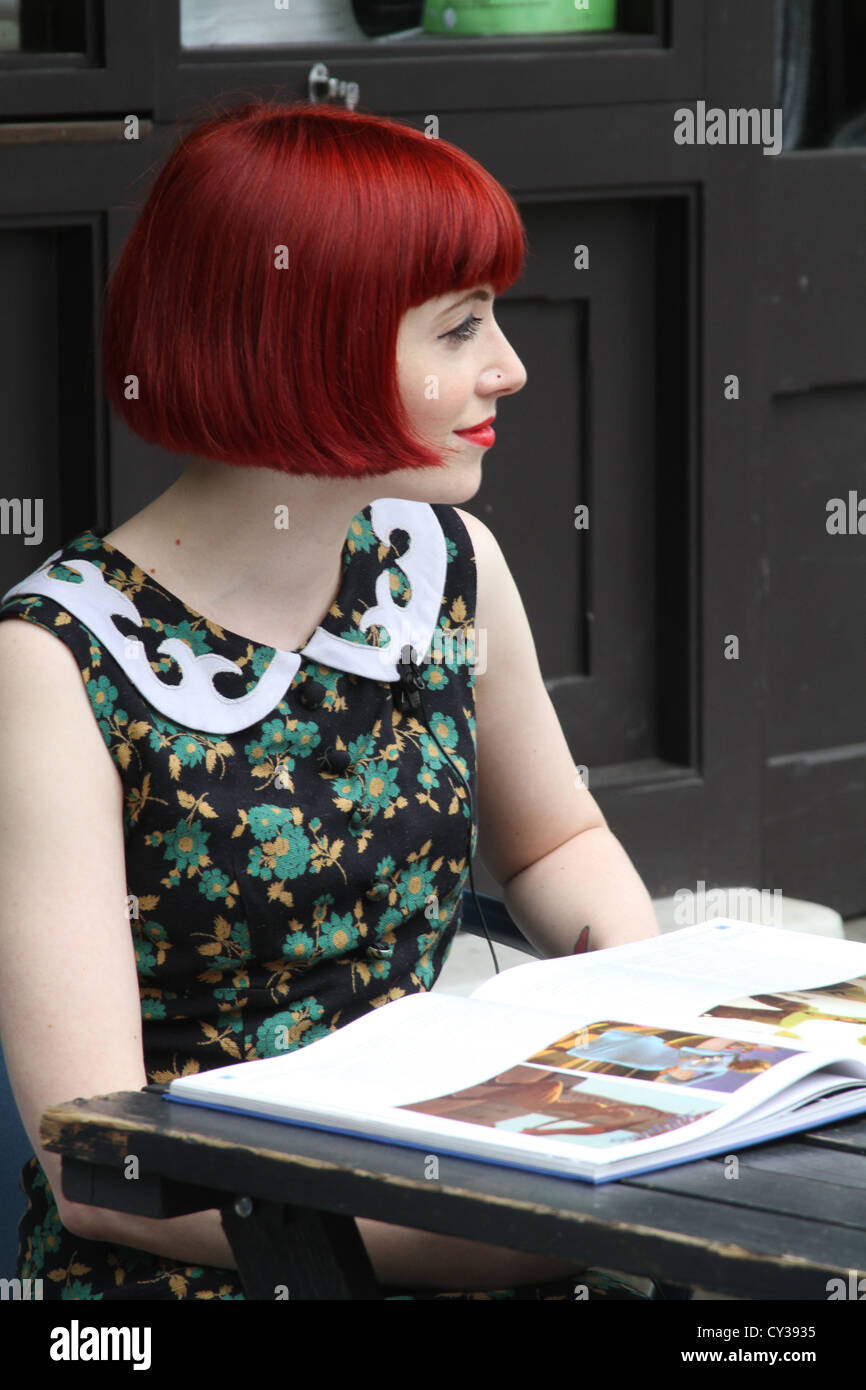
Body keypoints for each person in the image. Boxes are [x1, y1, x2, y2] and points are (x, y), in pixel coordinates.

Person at [0, 99, 661, 1301]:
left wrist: (672, 1041)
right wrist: (494, 1248)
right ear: (304, 339)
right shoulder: (59, 660)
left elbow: (558, 840)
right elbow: (94, 1163)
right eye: (460, 328)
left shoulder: (445, 566)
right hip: (203, 1261)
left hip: (455, 1178)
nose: (506, 366)